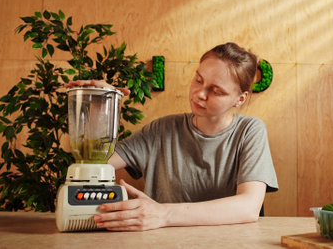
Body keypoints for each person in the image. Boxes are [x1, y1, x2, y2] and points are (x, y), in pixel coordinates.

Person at [68, 42, 278, 231]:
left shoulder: (250, 130)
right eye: (198, 80)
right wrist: (100, 106)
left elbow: (249, 207)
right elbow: (95, 161)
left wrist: (163, 214)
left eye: (216, 91)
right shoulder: (161, 129)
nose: (199, 94)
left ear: (240, 99)